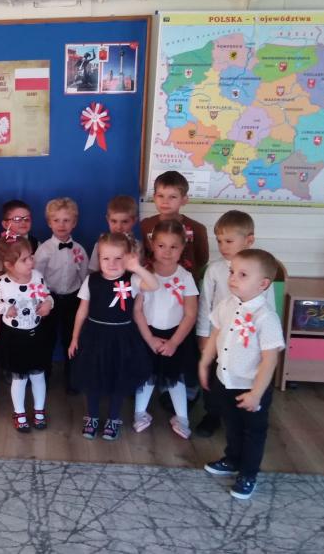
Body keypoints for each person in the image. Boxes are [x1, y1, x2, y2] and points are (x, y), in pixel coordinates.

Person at [200, 249, 285, 500]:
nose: (233, 278)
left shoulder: (266, 317)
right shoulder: (227, 304)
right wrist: (205, 361)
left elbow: (270, 359)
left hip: (251, 386)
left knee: (253, 432)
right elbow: (216, 332)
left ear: (263, 284)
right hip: (225, 380)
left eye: (243, 274)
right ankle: (232, 459)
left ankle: (248, 474)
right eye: (232, 272)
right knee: (232, 425)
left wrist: (256, 393)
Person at [194, 210, 277, 437]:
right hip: (218, 337)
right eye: (219, 241)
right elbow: (206, 304)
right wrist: (203, 335)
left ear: (249, 240)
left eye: (229, 241)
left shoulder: (260, 271)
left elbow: (269, 309)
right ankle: (212, 414)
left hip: (246, 341)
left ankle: (242, 413)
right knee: (215, 380)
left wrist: (265, 344)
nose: (223, 246)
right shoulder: (214, 270)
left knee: (242, 378)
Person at [69, 233, 158, 440]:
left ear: (128, 258)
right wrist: (74, 338)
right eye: (106, 258)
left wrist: (137, 268)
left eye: (118, 258)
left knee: (120, 378)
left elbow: (154, 285)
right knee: (93, 379)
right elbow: (82, 311)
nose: (112, 263)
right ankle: (92, 416)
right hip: (95, 337)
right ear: (99, 258)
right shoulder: (92, 280)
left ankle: (113, 418)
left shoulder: (132, 279)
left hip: (122, 338)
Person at [132, 220, 198, 439]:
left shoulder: (185, 277)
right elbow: (137, 310)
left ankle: (182, 417)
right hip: (147, 333)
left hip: (175, 336)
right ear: (152, 245)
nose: (167, 252)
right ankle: (140, 412)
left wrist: (174, 342)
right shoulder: (143, 275)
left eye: (173, 246)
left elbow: (190, 314)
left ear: (182, 247)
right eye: (161, 246)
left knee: (175, 377)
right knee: (146, 375)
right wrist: (150, 339)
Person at [0, 234, 54, 432]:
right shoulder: (2, 282)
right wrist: (4, 309)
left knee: (38, 375)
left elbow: (46, 295)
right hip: (14, 337)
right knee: (19, 378)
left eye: (31, 256)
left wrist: (48, 303)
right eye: (24, 259)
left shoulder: (37, 276)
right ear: (9, 264)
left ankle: (39, 410)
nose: (31, 262)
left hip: (36, 335)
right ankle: (19, 412)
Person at [34, 197, 88, 394]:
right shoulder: (44, 250)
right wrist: (42, 300)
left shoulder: (79, 249)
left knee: (71, 339)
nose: (61, 225)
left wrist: (84, 302)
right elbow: (36, 278)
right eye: (56, 220)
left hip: (72, 299)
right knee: (46, 339)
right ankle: (44, 376)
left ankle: (72, 377)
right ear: (49, 223)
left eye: (66, 220)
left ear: (74, 222)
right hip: (49, 299)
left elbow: (85, 277)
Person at [141, 171, 209, 282]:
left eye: (172, 197)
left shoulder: (197, 228)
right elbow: (143, 255)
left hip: (186, 285)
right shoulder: (145, 225)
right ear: (154, 197)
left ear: (184, 200)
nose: (165, 201)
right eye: (160, 196)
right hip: (154, 282)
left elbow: (202, 259)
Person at [89, 195, 141, 271]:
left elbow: (141, 272)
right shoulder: (100, 245)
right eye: (114, 221)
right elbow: (92, 271)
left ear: (134, 221)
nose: (119, 227)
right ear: (108, 220)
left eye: (125, 221)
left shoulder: (138, 246)